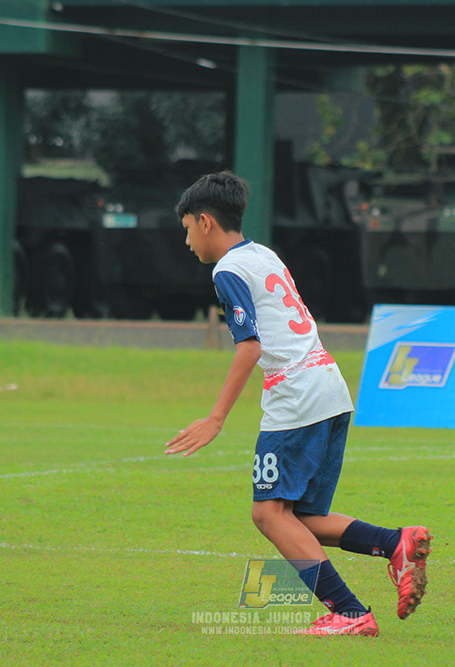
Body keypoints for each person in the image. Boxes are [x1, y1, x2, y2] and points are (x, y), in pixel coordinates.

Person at [165, 170, 431, 637]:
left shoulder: (227, 270)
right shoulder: (262, 254)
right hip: (330, 387)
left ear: (205, 222)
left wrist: (216, 418)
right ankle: (395, 543)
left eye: (187, 228)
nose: (187, 242)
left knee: (267, 514)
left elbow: (249, 347)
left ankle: (349, 612)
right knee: (300, 518)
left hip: (297, 396)